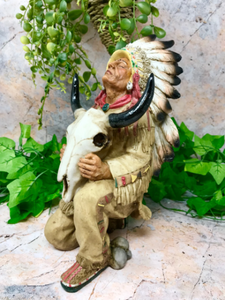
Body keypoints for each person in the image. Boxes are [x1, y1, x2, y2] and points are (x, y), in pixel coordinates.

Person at [44, 36, 182, 292]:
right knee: (56, 235)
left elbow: (141, 159)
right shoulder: (98, 108)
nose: (112, 66)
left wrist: (105, 169)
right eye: (112, 62)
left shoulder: (140, 117)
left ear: (132, 79)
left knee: (87, 198)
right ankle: (105, 229)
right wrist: (72, 150)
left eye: (121, 65)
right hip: (89, 177)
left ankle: (95, 258)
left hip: (120, 186)